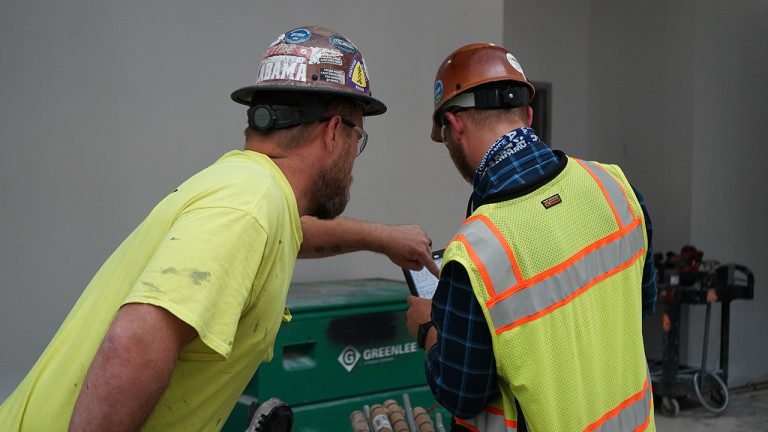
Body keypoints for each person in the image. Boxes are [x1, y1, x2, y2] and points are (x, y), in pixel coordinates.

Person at [0, 26, 434, 431]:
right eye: (359, 137)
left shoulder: (250, 194)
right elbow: (132, 343)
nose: (356, 156)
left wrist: (383, 239)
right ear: (334, 132)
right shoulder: (246, 206)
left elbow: (288, 236)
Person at [406, 43, 658, 431]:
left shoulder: (475, 254)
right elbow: (638, 304)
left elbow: (462, 394)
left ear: (455, 125)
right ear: (527, 114)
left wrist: (429, 332)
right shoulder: (617, 189)